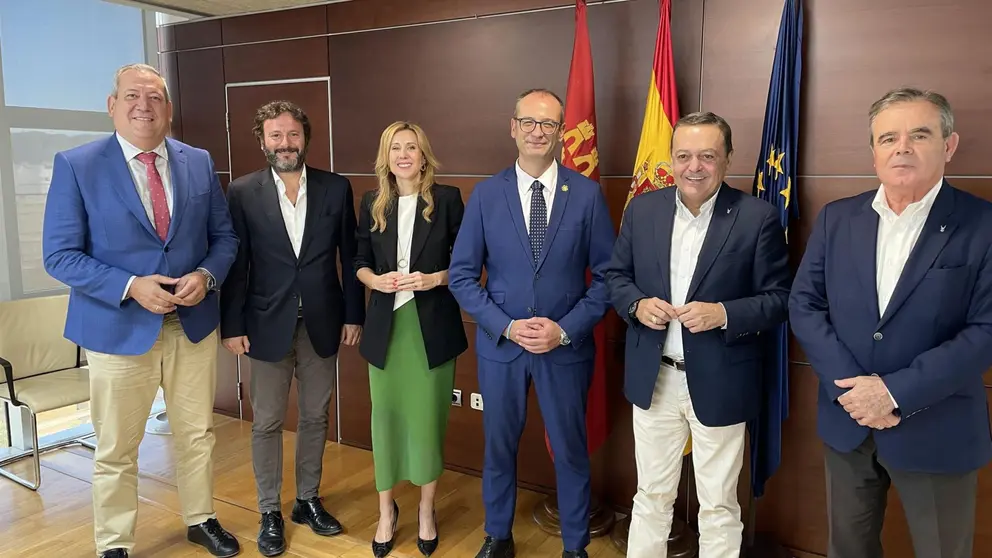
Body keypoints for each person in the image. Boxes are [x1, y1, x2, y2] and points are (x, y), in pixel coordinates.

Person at [41, 63, 240, 558]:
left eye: (154, 97)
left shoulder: (197, 161)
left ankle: (201, 517)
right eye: (132, 96)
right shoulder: (77, 164)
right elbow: (59, 255)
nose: (143, 106)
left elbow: (224, 237)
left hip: (191, 326)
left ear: (168, 109)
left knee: (197, 435)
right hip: (117, 327)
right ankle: (114, 542)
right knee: (116, 448)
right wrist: (130, 285)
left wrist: (207, 276)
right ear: (112, 105)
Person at [790, 87, 992, 558]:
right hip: (848, 425)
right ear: (874, 151)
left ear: (949, 145)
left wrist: (894, 392)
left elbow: (986, 330)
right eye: (887, 138)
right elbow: (804, 304)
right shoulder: (837, 218)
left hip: (937, 427)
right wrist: (855, 393)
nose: (901, 147)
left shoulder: (983, 225)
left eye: (918, 134)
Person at [605, 112, 791, 558]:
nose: (694, 166)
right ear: (670, 159)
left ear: (727, 159)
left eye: (707, 156)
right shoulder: (643, 209)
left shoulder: (757, 218)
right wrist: (635, 304)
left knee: (719, 506)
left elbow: (781, 298)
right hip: (655, 379)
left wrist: (724, 313)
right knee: (649, 496)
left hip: (722, 381)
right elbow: (616, 276)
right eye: (684, 155)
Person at [448, 89, 615, 558]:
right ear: (514, 127)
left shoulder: (585, 194)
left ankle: (575, 546)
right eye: (530, 122)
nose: (539, 131)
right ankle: (498, 535)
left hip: (566, 348)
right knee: (499, 448)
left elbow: (608, 277)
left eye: (549, 124)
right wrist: (504, 325)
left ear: (562, 132)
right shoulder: (486, 194)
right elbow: (462, 276)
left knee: (570, 451)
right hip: (502, 348)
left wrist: (563, 329)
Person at [219, 100, 365, 556]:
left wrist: (354, 314)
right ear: (262, 140)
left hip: (322, 321)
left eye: (293, 135)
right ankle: (269, 511)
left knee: (317, 416)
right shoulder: (242, 192)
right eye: (276, 135)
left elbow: (351, 254)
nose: (285, 143)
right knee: (266, 421)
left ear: (306, 138)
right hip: (264, 325)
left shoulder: (336, 188)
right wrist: (232, 324)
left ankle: (306, 500)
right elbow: (237, 264)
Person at [353, 121, 468, 558]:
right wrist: (374, 281)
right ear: (386, 156)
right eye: (395, 148)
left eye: (411, 147)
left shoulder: (447, 200)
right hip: (386, 332)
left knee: (426, 422)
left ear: (424, 156)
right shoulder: (371, 202)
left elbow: (466, 263)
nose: (403, 155)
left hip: (430, 330)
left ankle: (425, 509)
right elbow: (359, 260)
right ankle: (386, 511)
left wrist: (434, 278)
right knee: (384, 422)